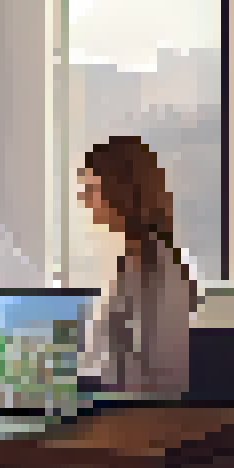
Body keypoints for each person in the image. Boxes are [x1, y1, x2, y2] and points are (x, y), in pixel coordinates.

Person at [76, 135, 202, 400]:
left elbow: (159, 375)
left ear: (118, 191)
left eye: (90, 188)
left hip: (135, 411)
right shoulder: (131, 259)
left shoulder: (161, 268)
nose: (83, 199)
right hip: (109, 400)